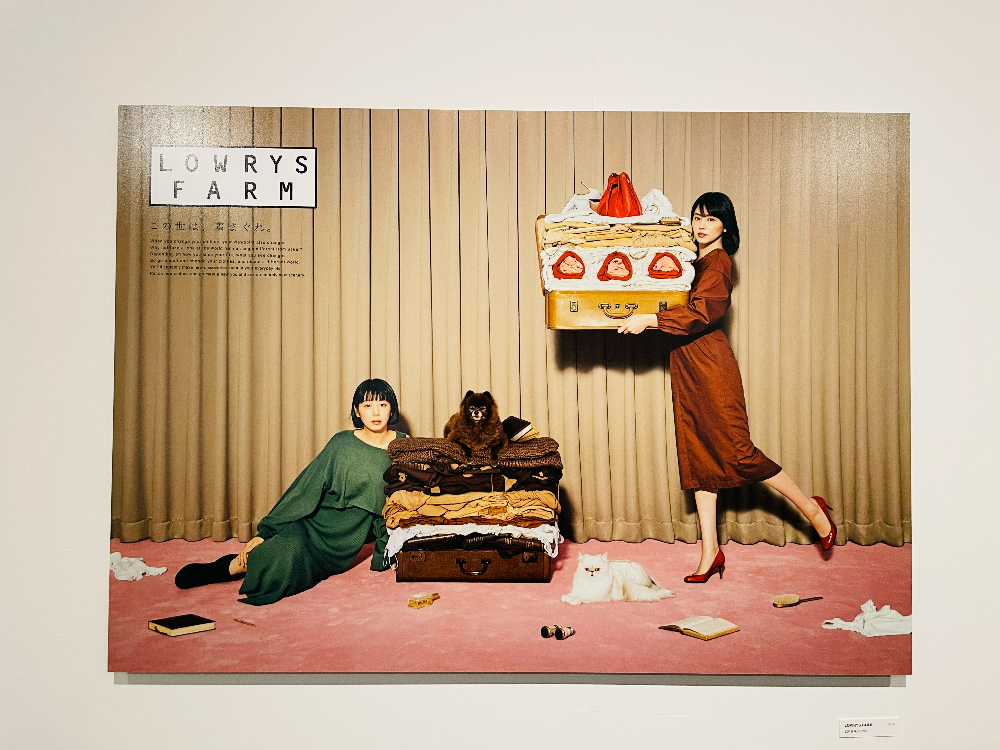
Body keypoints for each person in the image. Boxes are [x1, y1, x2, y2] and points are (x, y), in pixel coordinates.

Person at [616, 192, 836, 583]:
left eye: (711, 219)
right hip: (686, 362)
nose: (702, 225)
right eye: (697, 217)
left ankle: (812, 509)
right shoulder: (691, 262)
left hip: (710, 364)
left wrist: (649, 319)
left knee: (739, 452)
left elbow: (704, 311)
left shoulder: (718, 262)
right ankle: (710, 552)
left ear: (725, 226)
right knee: (699, 456)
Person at [174, 379, 405, 604]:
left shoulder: (403, 447)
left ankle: (254, 564)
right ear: (357, 411)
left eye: (382, 404)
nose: (376, 412)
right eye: (367, 405)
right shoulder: (341, 443)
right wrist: (264, 532)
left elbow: (401, 501)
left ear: (391, 408)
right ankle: (228, 568)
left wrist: (387, 550)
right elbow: (304, 489)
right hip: (313, 524)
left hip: (343, 541)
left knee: (291, 571)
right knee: (282, 549)